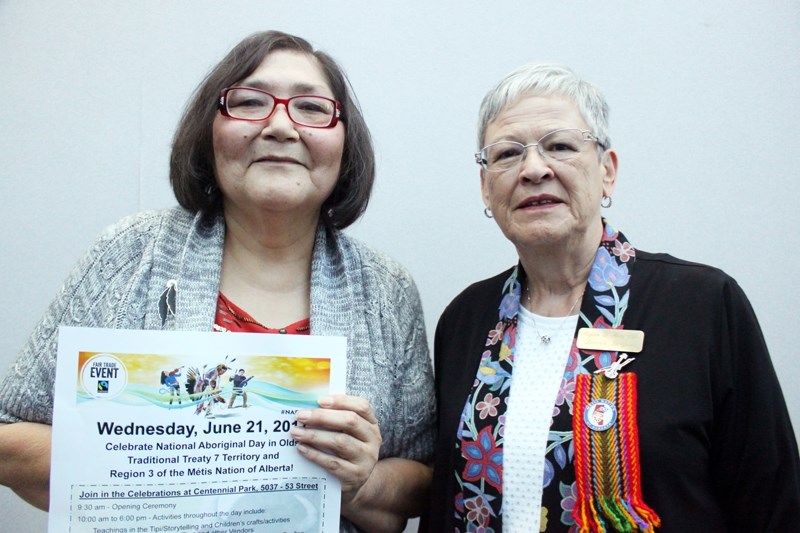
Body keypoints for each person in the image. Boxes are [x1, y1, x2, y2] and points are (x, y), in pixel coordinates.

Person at [0, 30, 435, 533]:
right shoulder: (130, 253)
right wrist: (151, 462)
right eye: (250, 101)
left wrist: (361, 482)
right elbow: (9, 439)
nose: (279, 125)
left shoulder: (385, 290)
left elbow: (423, 477)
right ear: (209, 131)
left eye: (312, 108)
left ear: (345, 140)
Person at [422, 63, 800, 532]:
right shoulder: (466, 319)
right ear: (485, 186)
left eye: (560, 145)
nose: (533, 169)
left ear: (607, 172)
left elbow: (773, 506)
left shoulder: (702, 306)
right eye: (507, 154)